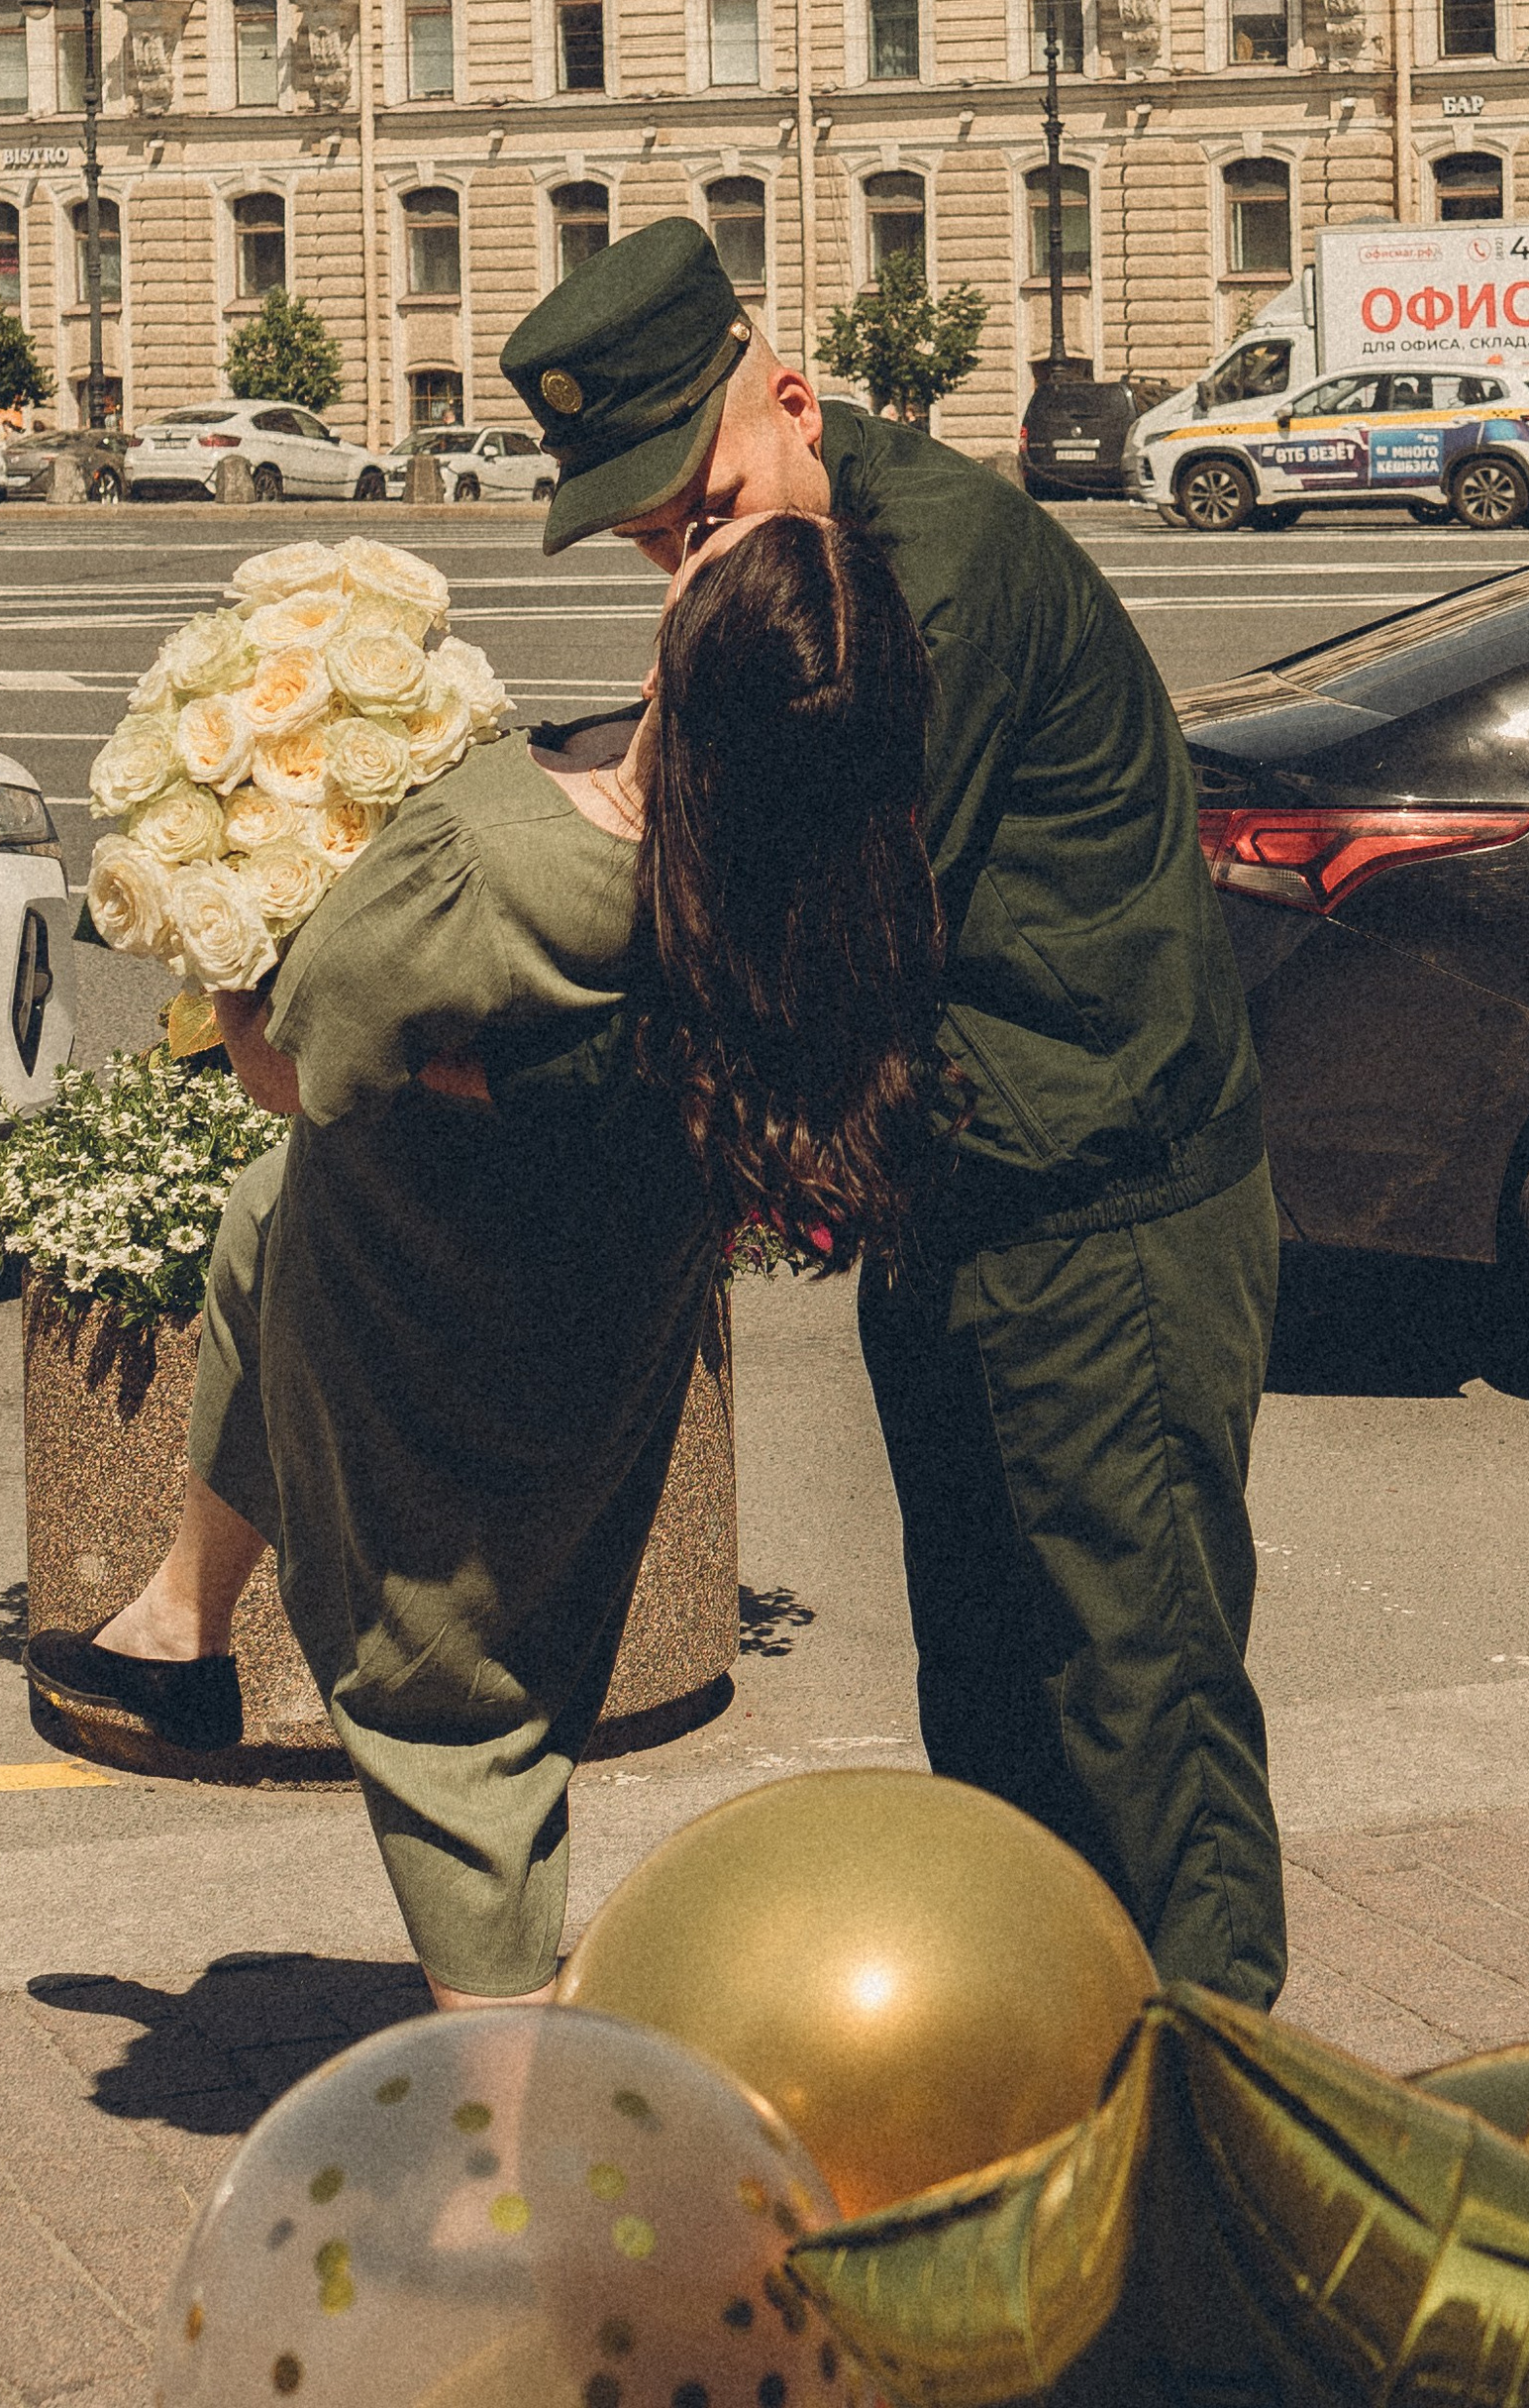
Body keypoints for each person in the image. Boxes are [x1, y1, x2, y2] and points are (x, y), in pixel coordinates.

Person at [497, 220, 1285, 2008]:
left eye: (704, 508)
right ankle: (1036, 2068)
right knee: (991, 1712)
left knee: (1140, 1711)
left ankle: (1220, 2116)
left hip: (1105, 1217)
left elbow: (776, 926)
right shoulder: (808, 557)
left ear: (792, 399)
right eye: (656, 542)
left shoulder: (923, 587)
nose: (694, 563)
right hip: (960, 1196)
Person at [28, 512, 943, 2010]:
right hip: (608, 1307)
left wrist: (228, 936)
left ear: (671, 670)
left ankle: (509, 2096)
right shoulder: (820, 870)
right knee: (263, 1218)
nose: (684, 540)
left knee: (455, 1725)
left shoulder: (491, 864)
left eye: (700, 556)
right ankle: (178, 1625)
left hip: (427, 1306)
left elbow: (285, 1068)